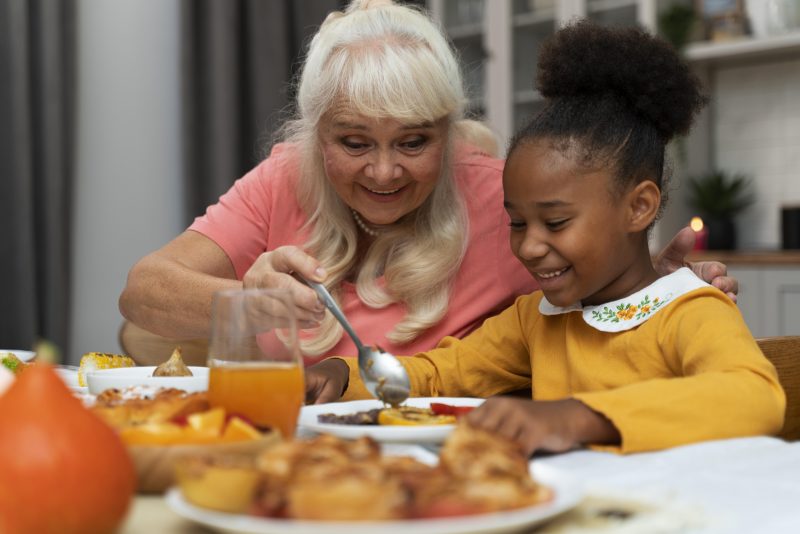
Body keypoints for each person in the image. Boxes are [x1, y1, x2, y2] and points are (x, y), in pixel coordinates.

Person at [119, 0, 737, 367]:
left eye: (414, 142)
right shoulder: (285, 175)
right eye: (353, 142)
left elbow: (590, 293)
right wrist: (251, 303)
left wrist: (657, 284)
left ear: (448, 130)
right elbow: (144, 293)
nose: (384, 173)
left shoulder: (500, 198)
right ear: (316, 135)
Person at [304, 21, 785, 456]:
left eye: (555, 223)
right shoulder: (537, 319)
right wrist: (345, 374)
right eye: (517, 223)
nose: (530, 246)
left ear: (639, 206)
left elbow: (754, 396)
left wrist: (576, 417)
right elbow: (439, 374)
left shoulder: (689, 309)